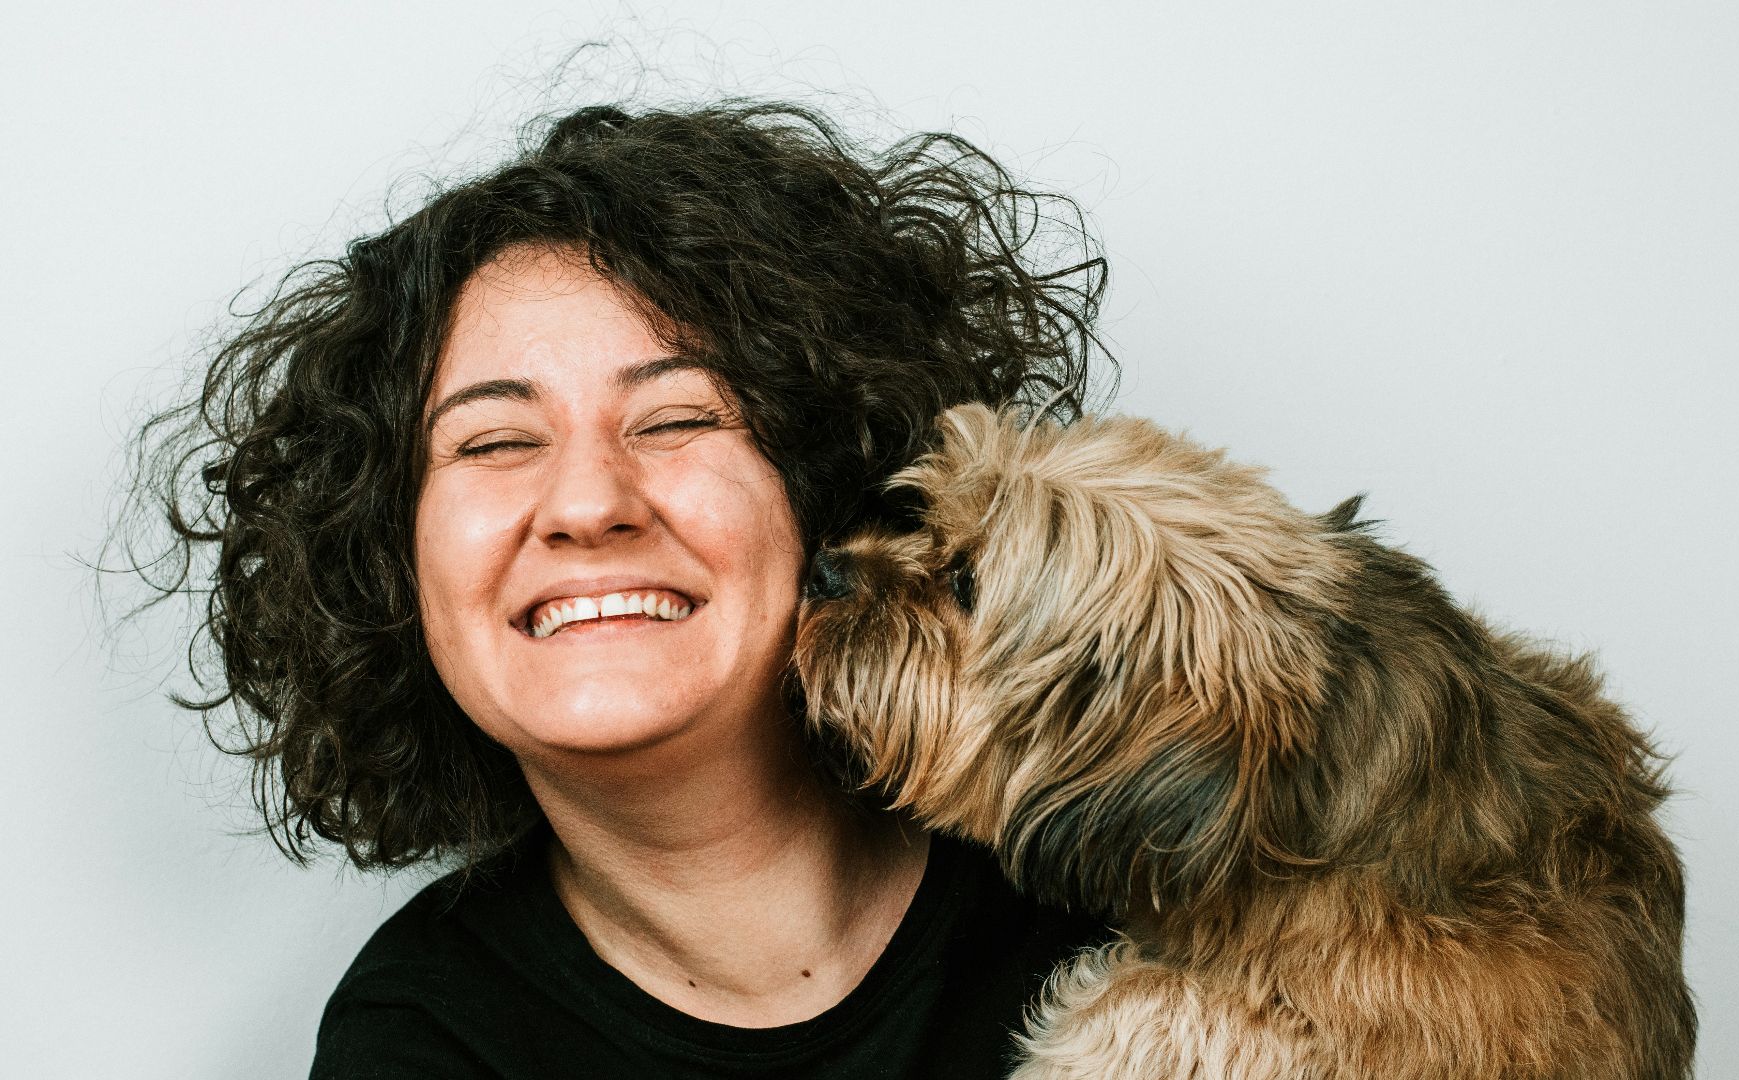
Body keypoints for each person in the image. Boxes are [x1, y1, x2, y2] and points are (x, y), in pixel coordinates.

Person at [132, 100, 1115, 1078]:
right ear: (390, 562)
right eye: (495, 441)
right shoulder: (423, 1038)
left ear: (832, 486)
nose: (588, 503)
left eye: (675, 419)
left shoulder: (1141, 862)